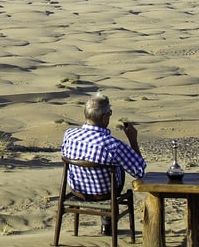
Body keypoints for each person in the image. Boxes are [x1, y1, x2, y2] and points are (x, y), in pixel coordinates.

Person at [61, 93, 146, 234]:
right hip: (105, 193)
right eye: (109, 113)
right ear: (104, 117)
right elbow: (139, 171)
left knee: (103, 167)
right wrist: (133, 140)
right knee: (115, 169)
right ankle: (107, 224)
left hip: (77, 190)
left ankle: (106, 224)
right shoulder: (113, 145)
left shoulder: (69, 135)